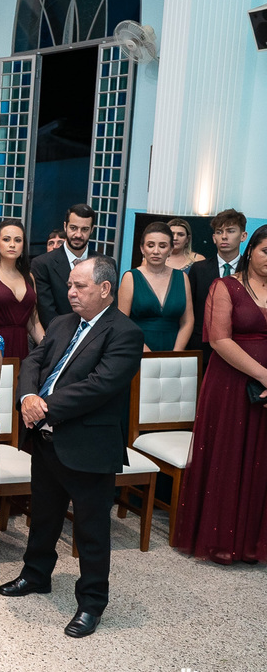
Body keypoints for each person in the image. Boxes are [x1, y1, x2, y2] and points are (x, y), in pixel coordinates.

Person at [0, 256, 143, 639]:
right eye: (69, 286)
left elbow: (101, 384)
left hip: (89, 445)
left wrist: (45, 406)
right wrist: (28, 394)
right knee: (43, 516)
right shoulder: (63, 323)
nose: (71, 293)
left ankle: (92, 603)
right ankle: (36, 575)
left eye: (79, 287)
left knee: (92, 530)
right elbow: (34, 360)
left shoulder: (124, 333)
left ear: (105, 289)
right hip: (46, 441)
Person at [172, 225, 267, 563]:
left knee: (260, 460)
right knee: (229, 456)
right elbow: (219, 339)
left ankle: (254, 541)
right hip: (230, 383)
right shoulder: (225, 286)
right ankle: (221, 540)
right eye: (265, 251)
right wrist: (263, 375)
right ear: (251, 249)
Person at [117, 221, 193, 352]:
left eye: (162, 246)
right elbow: (122, 322)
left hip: (173, 349)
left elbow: (187, 321)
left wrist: (176, 353)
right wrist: (146, 353)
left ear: (170, 250)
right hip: (137, 349)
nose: (156, 251)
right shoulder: (131, 277)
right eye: (150, 245)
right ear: (142, 248)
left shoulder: (182, 278)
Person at [0, 219, 44, 359]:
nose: (12, 244)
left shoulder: (29, 277)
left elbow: (33, 322)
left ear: (23, 245)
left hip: (21, 347)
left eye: (18, 240)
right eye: (6, 239)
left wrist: (49, 349)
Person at [188, 209, 247, 362]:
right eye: (219, 232)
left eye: (230, 231)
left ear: (243, 236)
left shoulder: (249, 271)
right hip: (202, 345)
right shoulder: (198, 269)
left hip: (241, 347)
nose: (224, 236)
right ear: (214, 238)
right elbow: (190, 309)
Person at [31, 203, 99, 330]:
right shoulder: (42, 264)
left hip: (95, 340)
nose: (78, 235)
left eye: (84, 229)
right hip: (56, 338)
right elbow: (46, 312)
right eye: (73, 228)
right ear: (65, 226)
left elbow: (107, 308)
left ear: (92, 229)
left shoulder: (104, 263)